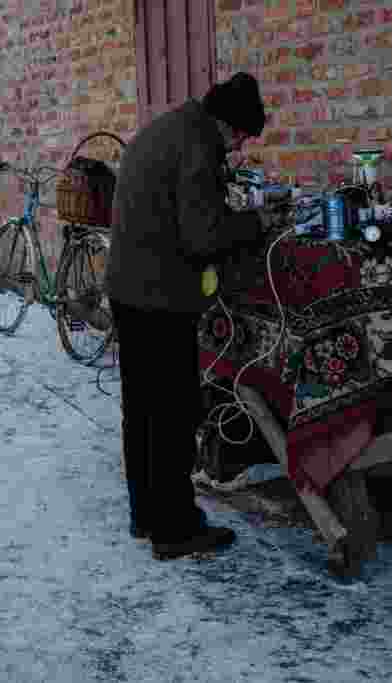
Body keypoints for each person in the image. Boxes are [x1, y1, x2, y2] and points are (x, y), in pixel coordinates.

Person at [105, 72, 279, 561]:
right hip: (159, 297)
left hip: (129, 288)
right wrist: (255, 223)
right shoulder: (199, 146)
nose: (242, 145)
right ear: (229, 123)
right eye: (244, 134)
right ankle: (176, 528)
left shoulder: (172, 127)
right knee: (173, 413)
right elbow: (201, 236)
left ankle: (147, 513)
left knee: (141, 411)